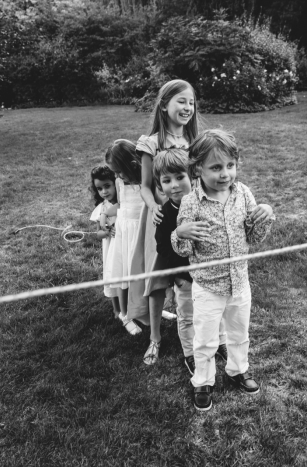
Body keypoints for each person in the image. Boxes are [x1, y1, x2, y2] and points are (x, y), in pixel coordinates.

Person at [172, 129, 275, 411]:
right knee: (204, 339)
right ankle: (203, 381)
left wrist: (263, 213)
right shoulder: (191, 202)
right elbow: (182, 250)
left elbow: (254, 238)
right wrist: (181, 232)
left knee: (239, 333)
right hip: (207, 286)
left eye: (230, 166)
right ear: (197, 169)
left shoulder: (243, 194)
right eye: (216, 167)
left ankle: (238, 369)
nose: (225, 174)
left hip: (240, 282)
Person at [130, 79, 205, 365]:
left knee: (193, 275)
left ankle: (198, 324)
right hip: (161, 218)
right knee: (159, 280)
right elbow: (146, 185)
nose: (187, 107)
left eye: (191, 102)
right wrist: (154, 206)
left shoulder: (196, 142)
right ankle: (155, 339)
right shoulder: (151, 143)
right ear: (164, 105)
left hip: (192, 217)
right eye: (181, 101)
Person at [153, 148, 228, 373]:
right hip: (186, 280)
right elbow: (163, 249)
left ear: (192, 176)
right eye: (167, 180)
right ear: (160, 185)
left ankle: (221, 342)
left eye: (180, 177)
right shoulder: (165, 215)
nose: (174, 185)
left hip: (211, 276)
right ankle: (190, 354)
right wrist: (178, 277)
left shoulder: (205, 204)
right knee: (187, 317)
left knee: (217, 311)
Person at [104, 139, 146, 336]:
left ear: (133, 165)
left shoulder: (146, 180)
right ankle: (124, 314)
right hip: (124, 233)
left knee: (139, 274)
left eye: (118, 171)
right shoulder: (120, 182)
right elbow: (120, 205)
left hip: (140, 233)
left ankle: (142, 310)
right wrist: (105, 215)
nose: (116, 176)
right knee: (122, 275)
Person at [88, 165, 120, 318]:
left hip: (124, 246)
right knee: (112, 275)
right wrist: (107, 231)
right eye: (99, 189)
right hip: (110, 247)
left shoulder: (124, 203)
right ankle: (116, 309)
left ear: (116, 184)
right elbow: (98, 233)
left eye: (107, 186)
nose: (104, 192)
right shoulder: (102, 208)